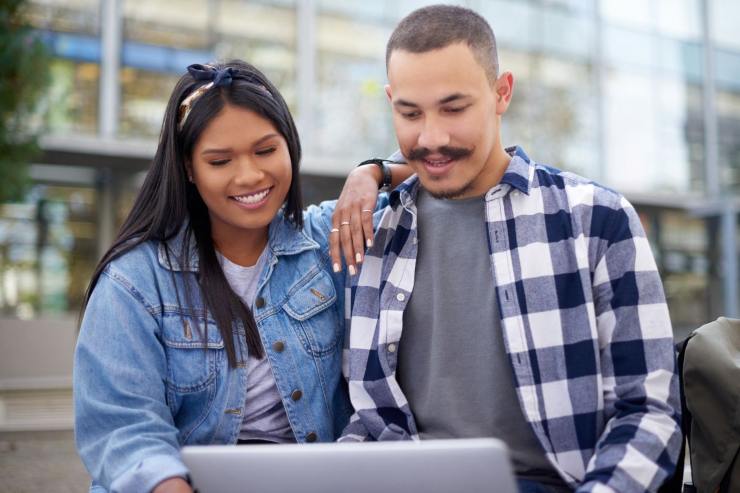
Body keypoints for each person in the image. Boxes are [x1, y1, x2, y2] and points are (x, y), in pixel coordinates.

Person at [340, 5, 682, 493]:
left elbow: (649, 413)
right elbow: (370, 418)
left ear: (502, 93)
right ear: (391, 101)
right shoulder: (375, 233)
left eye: (454, 108)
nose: (431, 137)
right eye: (410, 113)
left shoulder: (595, 219)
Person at [73, 60, 410, 493]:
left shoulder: (328, 239)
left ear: (289, 146)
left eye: (266, 151)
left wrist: (372, 172)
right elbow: (123, 427)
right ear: (189, 169)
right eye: (220, 160)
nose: (249, 175)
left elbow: (444, 168)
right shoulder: (134, 280)